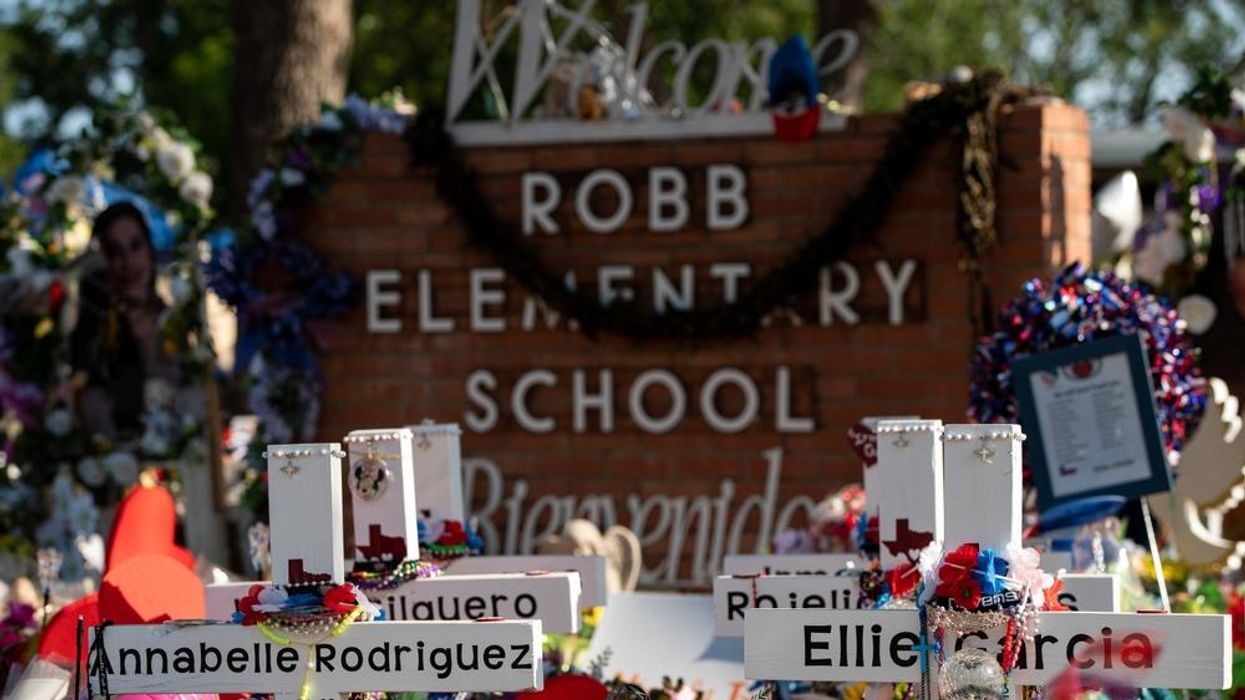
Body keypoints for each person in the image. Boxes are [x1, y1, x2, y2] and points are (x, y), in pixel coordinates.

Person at [69, 202, 179, 439]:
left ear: (150, 248)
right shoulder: (96, 338)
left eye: (135, 246)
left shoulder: (178, 321)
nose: (129, 262)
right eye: (115, 252)